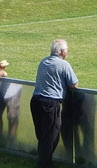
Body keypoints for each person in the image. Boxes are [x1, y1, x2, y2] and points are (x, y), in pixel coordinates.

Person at [31, 39, 79, 167]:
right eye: (67, 50)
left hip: (36, 100)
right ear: (62, 51)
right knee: (51, 135)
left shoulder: (43, 61)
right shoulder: (63, 64)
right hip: (50, 103)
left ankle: (43, 160)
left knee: (42, 134)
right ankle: (44, 164)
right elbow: (74, 84)